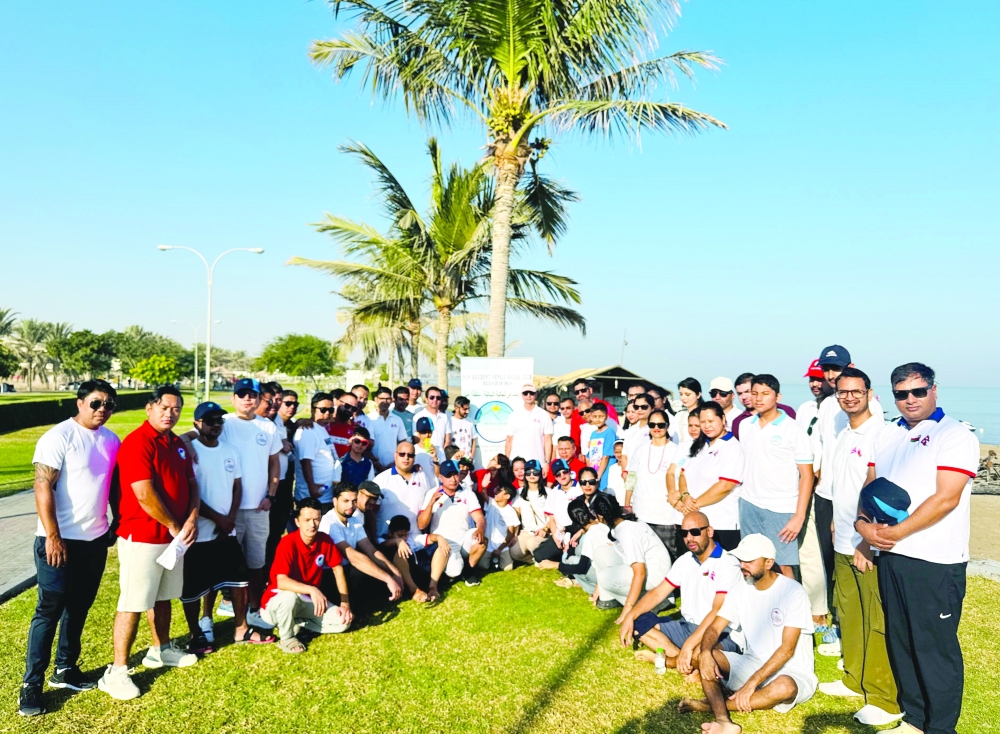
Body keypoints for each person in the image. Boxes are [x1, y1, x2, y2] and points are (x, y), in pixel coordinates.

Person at [858, 362, 978, 734]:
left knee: (934, 648)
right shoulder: (886, 434)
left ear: (933, 390)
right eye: (901, 393)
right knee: (901, 640)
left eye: (918, 391)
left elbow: (946, 498)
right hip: (893, 557)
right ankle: (914, 718)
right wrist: (864, 529)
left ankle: (941, 728)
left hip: (936, 560)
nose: (910, 400)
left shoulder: (955, 434)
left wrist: (894, 533)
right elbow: (870, 489)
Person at [20, 380, 121, 716]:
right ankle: (31, 685)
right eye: (96, 403)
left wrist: (116, 522)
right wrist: (53, 536)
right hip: (57, 542)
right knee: (49, 611)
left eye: (109, 404)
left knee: (78, 607)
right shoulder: (57, 437)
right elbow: (42, 486)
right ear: (79, 403)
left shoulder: (111, 439)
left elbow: (112, 486)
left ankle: (65, 669)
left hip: (94, 541)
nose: (102, 409)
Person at [99, 386, 199, 701]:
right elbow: (143, 492)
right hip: (142, 536)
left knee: (163, 597)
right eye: (164, 407)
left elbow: (192, 484)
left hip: (174, 538)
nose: (170, 413)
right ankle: (116, 672)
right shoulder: (138, 442)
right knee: (133, 602)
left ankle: (161, 649)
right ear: (149, 408)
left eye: (176, 408)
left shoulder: (175, 443)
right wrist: (173, 524)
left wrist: (191, 520)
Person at [814, 368, 901, 726]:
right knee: (848, 611)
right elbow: (841, 487)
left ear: (869, 393)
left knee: (875, 619)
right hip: (844, 537)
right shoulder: (842, 431)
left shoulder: (879, 434)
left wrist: (867, 539)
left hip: (868, 543)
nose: (850, 397)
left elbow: (880, 492)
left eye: (856, 392)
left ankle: (884, 698)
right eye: (843, 392)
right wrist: (837, 519)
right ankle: (854, 678)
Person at [681, 534, 818, 729]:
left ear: (769, 563)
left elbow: (787, 650)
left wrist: (751, 684)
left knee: (784, 687)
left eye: (749, 560)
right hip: (751, 663)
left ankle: (709, 706)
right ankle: (723, 721)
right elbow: (714, 627)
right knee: (701, 654)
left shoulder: (793, 592)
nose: (743, 565)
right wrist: (705, 653)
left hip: (791, 671)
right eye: (741, 560)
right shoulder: (740, 589)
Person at [181, 402, 274, 653]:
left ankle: (241, 628)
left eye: (219, 420)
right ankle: (197, 631)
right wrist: (216, 518)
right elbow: (191, 492)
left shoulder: (230, 450)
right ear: (197, 423)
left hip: (227, 529)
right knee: (195, 586)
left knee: (239, 579)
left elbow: (237, 487)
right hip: (200, 530)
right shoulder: (190, 451)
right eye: (209, 420)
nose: (216, 425)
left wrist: (229, 518)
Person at [619, 512, 743, 675]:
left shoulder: (727, 563)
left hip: (718, 632)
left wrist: (689, 645)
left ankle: (671, 660)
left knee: (705, 652)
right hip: (686, 626)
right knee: (638, 623)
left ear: (710, 532)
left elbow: (717, 610)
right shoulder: (685, 560)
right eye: (684, 533)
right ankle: (686, 661)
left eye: (695, 532)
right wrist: (630, 615)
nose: (689, 538)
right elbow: (657, 593)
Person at [813, 345, 885, 616]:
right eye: (827, 369)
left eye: (838, 368)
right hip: (830, 495)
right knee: (833, 562)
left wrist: (868, 527)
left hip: (860, 507)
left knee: (863, 574)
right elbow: (822, 447)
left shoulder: (872, 414)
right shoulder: (829, 407)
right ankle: (838, 619)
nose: (831, 374)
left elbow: (873, 476)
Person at [212, 378, 282, 631]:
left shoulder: (267, 427)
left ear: (259, 399)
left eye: (251, 394)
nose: (247, 399)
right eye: (241, 395)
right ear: (233, 399)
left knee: (256, 562)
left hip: (258, 508)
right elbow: (199, 435)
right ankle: (224, 604)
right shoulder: (225, 423)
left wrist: (271, 495)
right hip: (228, 509)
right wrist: (185, 442)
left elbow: (275, 463)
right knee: (225, 561)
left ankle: (254, 608)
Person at [737, 375, 814, 579]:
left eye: (765, 394)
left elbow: (807, 476)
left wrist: (799, 516)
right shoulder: (745, 426)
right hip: (749, 503)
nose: (758, 399)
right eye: (754, 394)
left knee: (782, 566)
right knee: (751, 560)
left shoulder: (793, 430)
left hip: (781, 508)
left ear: (777, 396)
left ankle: (790, 609)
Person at [259, 498, 352, 654]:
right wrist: (312, 590)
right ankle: (287, 638)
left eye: (316, 519)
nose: (312, 524)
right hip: (277, 602)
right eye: (307, 520)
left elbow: (338, 569)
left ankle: (299, 624)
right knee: (289, 597)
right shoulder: (287, 543)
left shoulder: (324, 540)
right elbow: (281, 582)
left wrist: (345, 603)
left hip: (306, 599)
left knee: (343, 622)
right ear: (297, 522)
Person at [375, 441, 450, 602]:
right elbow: (371, 511)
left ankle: (432, 586)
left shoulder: (422, 476)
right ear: (395, 455)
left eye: (410, 455)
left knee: (442, 547)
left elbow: (428, 503)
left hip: (415, 536)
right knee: (400, 555)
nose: (406, 458)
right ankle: (414, 590)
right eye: (402, 454)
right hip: (390, 540)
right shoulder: (382, 480)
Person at [795, 359, 833, 630]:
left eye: (820, 378)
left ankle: (821, 610)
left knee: (821, 551)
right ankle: (810, 606)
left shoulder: (837, 408)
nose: (816, 383)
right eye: (812, 378)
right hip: (802, 484)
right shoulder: (806, 408)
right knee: (805, 548)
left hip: (824, 487)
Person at [675, 402, 744, 551]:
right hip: (694, 524)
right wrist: (685, 495)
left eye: (711, 421)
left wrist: (694, 505)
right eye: (703, 422)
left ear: (723, 419)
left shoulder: (732, 447)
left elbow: (725, 486)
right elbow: (683, 474)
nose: (707, 426)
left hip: (721, 524)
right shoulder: (700, 445)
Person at [318, 484, 403, 605]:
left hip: (347, 569)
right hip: (330, 575)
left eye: (354, 501)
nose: (350, 506)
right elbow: (352, 556)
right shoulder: (329, 524)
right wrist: (388, 578)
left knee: (378, 561)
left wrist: (395, 572)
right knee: (363, 572)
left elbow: (370, 549)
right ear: (335, 501)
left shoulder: (353, 520)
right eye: (345, 501)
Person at [591, 493, 673, 616]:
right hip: (650, 568)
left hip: (656, 575)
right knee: (600, 552)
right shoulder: (623, 524)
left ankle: (650, 602)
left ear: (600, 516)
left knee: (605, 578)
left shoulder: (627, 532)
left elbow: (640, 572)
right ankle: (608, 599)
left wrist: (627, 610)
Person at [417, 460, 487, 586]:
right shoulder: (432, 493)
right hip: (445, 542)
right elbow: (421, 525)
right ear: (441, 477)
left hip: (464, 538)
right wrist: (431, 503)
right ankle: (452, 568)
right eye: (448, 475)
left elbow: (480, 518)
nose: (453, 479)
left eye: (455, 474)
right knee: (454, 570)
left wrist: (480, 529)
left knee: (482, 541)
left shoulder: (468, 493)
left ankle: (469, 571)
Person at [624, 409, 682, 556]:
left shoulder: (676, 450)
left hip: (665, 515)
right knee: (643, 555)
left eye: (661, 424)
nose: (656, 428)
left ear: (667, 426)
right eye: (652, 424)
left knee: (668, 555)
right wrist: (627, 504)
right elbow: (631, 479)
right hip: (641, 512)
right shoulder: (640, 449)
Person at [266, 389, 300, 569]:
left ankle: (271, 570)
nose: (290, 407)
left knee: (277, 531)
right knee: (265, 533)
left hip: (284, 485)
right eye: (287, 403)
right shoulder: (263, 422)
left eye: (295, 404)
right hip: (265, 486)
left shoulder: (290, 425)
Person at [293, 393, 340, 513]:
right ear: (313, 409)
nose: (327, 413)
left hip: (325, 494)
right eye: (323, 409)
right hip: (313, 496)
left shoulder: (321, 428)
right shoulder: (308, 430)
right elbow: (305, 461)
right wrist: (312, 487)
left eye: (331, 410)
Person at [554, 498, 611, 596]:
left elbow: (581, 568)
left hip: (605, 576)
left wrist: (555, 565)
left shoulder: (590, 535)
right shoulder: (603, 524)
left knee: (572, 560)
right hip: (616, 570)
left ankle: (594, 589)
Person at [731, 373, 797, 439]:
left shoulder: (786, 411)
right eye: (739, 394)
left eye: (748, 391)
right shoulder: (739, 422)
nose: (743, 397)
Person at [504, 383, 553, 466]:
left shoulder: (544, 415)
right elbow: (509, 440)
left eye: (531, 393)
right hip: (516, 462)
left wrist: (547, 462)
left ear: (536, 394)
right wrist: (507, 462)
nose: (528, 396)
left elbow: (548, 440)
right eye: (525, 393)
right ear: (522, 395)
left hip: (538, 462)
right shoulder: (514, 415)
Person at [479, 484, 522, 571]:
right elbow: (483, 494)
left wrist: (499, 549)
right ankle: (491, 560)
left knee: (508, 568)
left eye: (499, 491)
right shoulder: (491, 503)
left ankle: (497, 559)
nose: (495, 492)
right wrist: (484, 486)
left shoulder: (510, 511)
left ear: (507, 496)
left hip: (502, 545)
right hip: (488, 545)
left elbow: (510, 532)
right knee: (483, 566)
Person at [513, 460, 548, 560]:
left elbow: (552, 517)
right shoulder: (518, 492)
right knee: (514, 553)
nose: (531, 475)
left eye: (535, 472)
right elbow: (516, 514)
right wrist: (514, 535)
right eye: (528, 472)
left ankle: (544, 557)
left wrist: (545, 529)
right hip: (526, 532)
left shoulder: (548, 492)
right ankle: (536, 558)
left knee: (532, 544)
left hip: (543, 531)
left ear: (540, 473)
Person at [569, 379, 619, 448]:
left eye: (583, 390)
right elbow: (575, 439)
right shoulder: (576, 413)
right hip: (585, 455)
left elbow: (615, 429)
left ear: (590, 390)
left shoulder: (606, 407)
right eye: (577, 392)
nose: (580, 394)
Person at [368, 386, 408, 473]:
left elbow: (402, 443)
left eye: (388, 399)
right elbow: (366, 446)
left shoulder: (397, 420)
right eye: (382, 398)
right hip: (373, 468)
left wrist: (395, 462)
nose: (385, 402)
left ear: (392, 400)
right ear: (376, 399)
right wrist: (377, 464)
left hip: (393, 467)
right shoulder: (369, 419)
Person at [584, 402, 618, 491]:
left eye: (601, 416)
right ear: (591, 417)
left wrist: (598, 477)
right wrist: (591, 475)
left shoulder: (610, 432)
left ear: (606, 416)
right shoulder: (593, 434)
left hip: (605, 474)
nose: (598, 419)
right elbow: (589, 456)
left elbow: (606, 457)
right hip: (594, 473)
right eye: (595, 416)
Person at [412, 386, 451, 456]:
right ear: (426, 400)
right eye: (432, 397)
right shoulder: (418, 417)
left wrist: (441, 455)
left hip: (440, 456)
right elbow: (416, 439)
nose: (435, 400)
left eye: (438, 398)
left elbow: (447, 440)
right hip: (423, 455)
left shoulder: (445, 417)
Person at [674, 377, 704, 444]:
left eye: (687, 394)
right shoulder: (679, 416)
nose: (683, 398)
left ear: (698, 395)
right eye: (681, 394)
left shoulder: (704, 415)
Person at [450, 396, 477, 461]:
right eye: (465, 409)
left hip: (467, 461)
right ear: (456, 408)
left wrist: (471, 457)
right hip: (454, 461)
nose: (467, 411)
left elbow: (474, 441)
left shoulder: (470, 421)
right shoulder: (449, 421)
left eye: (468, 409)